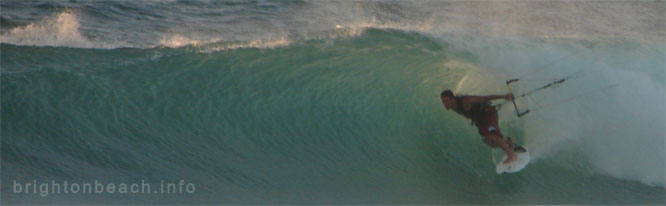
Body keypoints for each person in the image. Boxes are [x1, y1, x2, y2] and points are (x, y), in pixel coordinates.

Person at [440, 89, 524, 164]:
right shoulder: (453, 106)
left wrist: (504, 96)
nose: (445, 104)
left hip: (488, 114)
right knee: (491, 143)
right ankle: (509, 142)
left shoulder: (466, 101)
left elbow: (485, 98)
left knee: (493, 136)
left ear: (453, 99)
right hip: (480, 121)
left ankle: (511, 154)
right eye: (443, 101)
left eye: (446, 101)